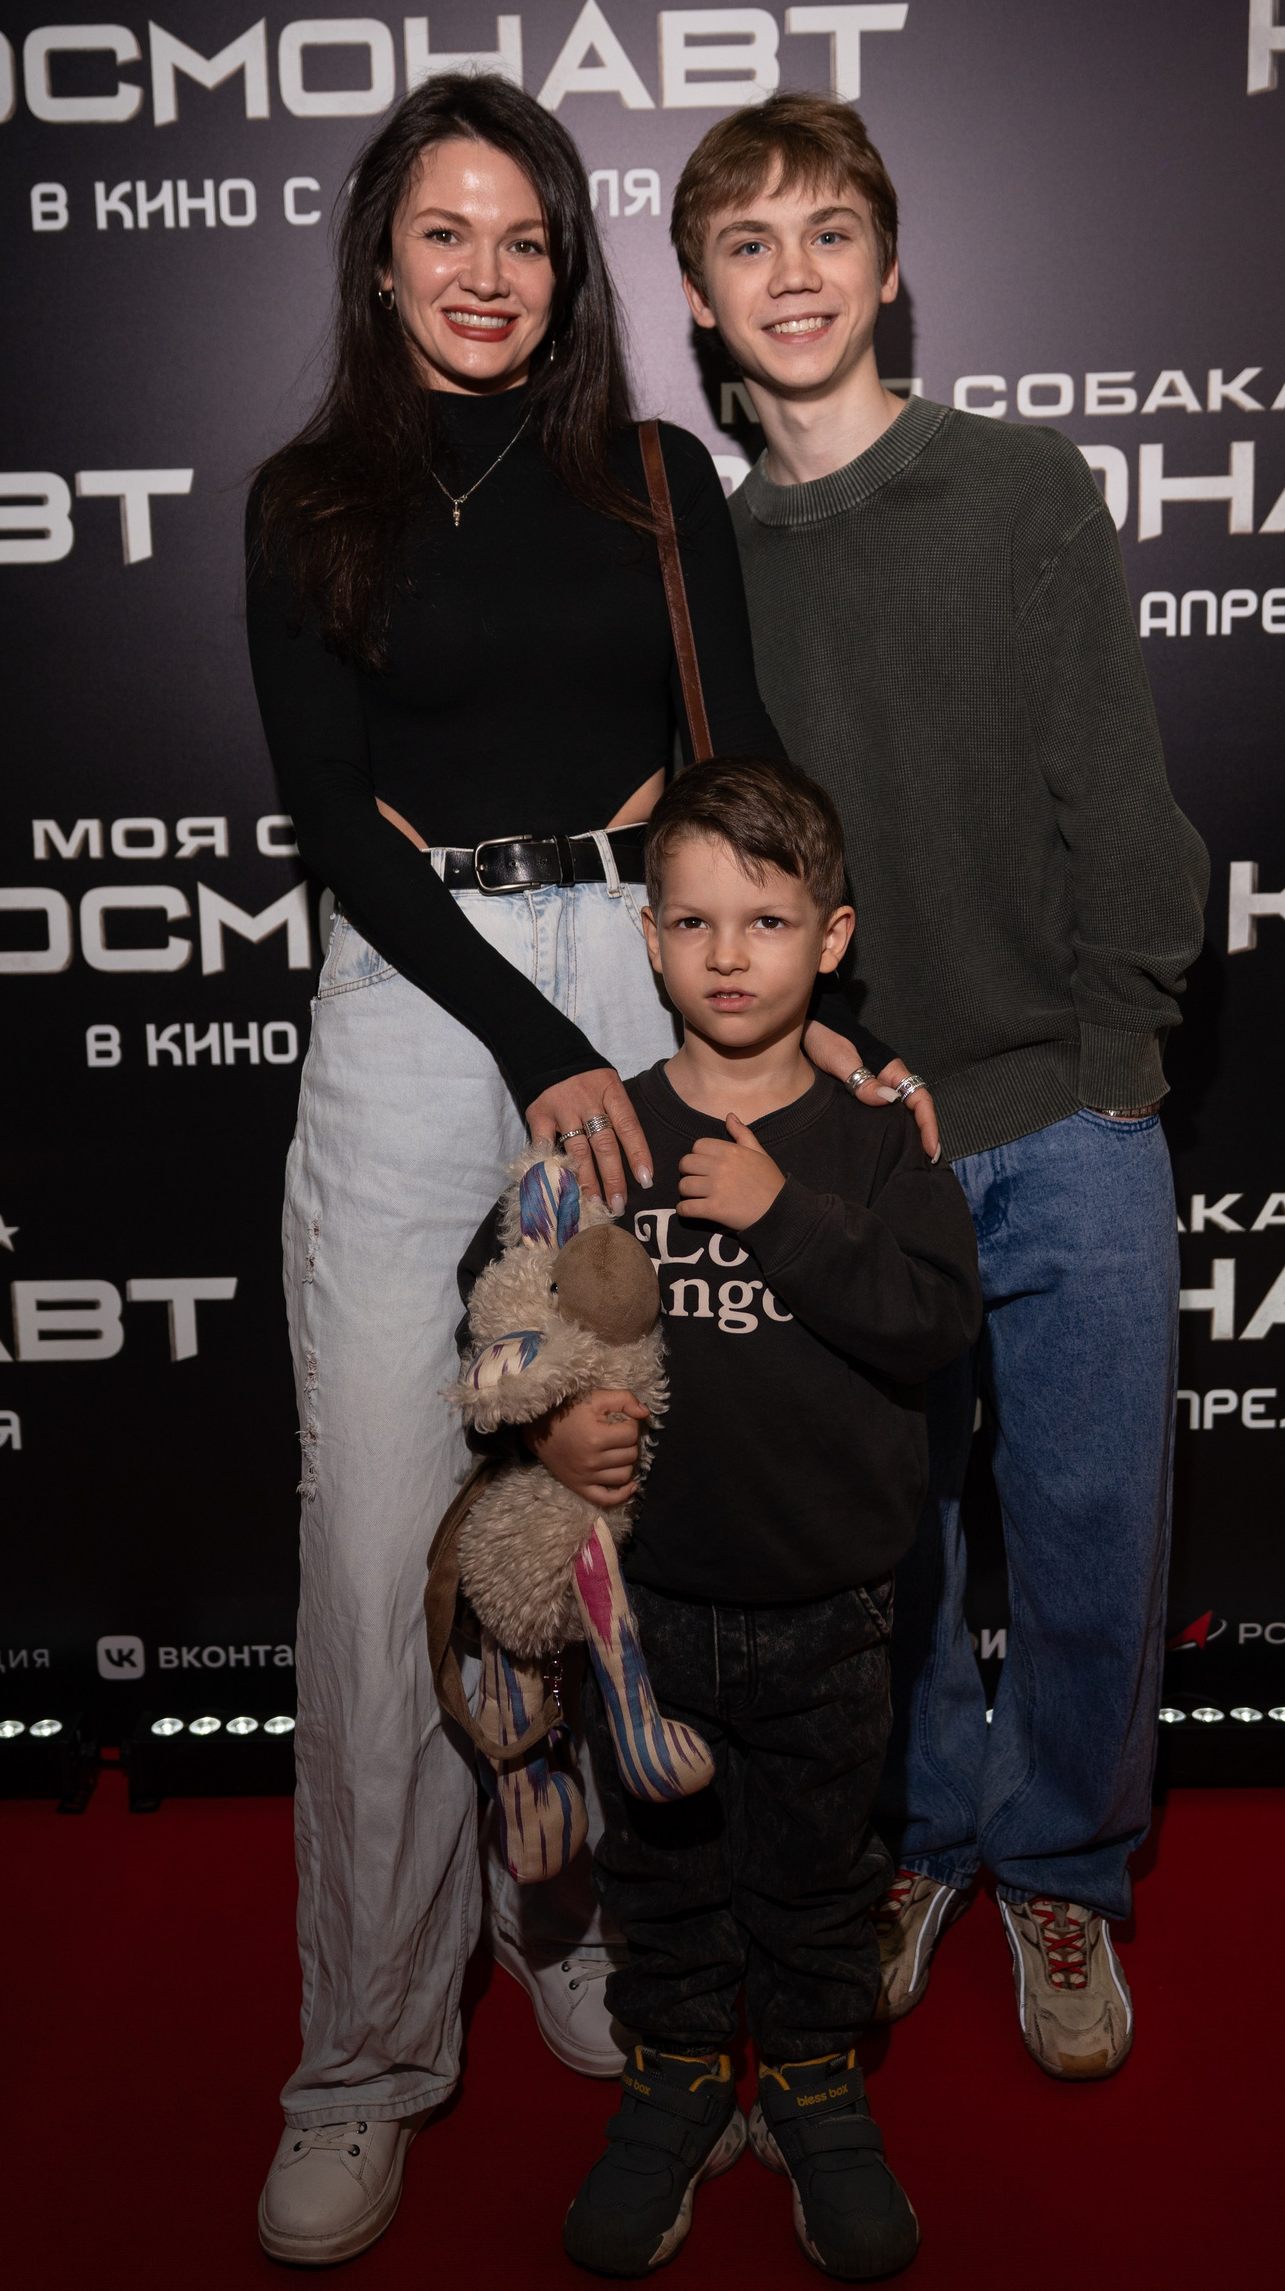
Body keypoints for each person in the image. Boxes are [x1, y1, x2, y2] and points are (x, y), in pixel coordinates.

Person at [241, 75, 892, 2268]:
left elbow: (737, 761)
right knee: (382, 1535)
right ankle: (363, 2054)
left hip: (641, 963)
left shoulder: (656, 477)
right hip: (422, 1005)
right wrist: (535, 1047)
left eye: (524, 235)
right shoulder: (311, 497)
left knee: (618, 1504)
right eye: (445, 231)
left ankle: (583, 1929)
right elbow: (333, 819)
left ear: (566, 262)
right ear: (382, 254)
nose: (486, 272)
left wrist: (822, 1019)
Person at [670, 95, 1209, 2081]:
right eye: (749, 244)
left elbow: (1112, 791)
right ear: (702, 301)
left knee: (1089, 1525)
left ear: (891, 268)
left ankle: (1063, 1862)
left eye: (830, 233)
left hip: (1066, 1107)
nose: (794, 274)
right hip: (854, 1134)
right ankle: (918, 1836)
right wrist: (797, 1063)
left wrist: (1120, 1050)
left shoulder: (1022, 488)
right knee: (882, 1553)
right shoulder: (705, 563)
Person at [523, 756, 981, 2280]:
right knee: (660, 1870)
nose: (730, 954)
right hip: (646, 1609)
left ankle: (811, 2081)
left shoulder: (876, 1137)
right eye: (695, 921)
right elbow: (509, 1312)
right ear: (648, 938)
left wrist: (779, 1212)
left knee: (816, 1866)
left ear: (832, 939)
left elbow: (933, 1325)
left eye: (769, 920)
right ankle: (673, 2080)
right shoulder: (605, 1135)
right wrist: (552, 1417)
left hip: (833, 1606)